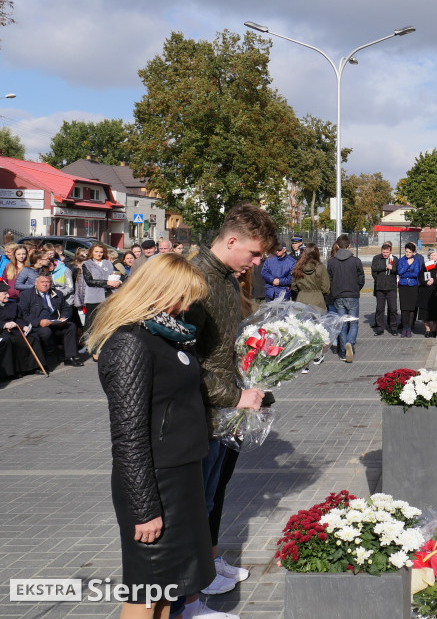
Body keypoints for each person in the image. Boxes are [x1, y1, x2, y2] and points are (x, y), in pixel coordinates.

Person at [92, 254, 216, 619]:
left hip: (179, 476)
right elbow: (128, 436)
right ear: (159, 292)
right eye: (183, 296)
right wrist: (145, 510)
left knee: (169, 586)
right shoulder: (131, 342)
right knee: (146, 590)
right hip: (154, 483)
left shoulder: (164, 333)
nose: (188, 306)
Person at [183, 202, 275, 618]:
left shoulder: (224, 278)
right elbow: (183, 358)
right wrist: (235, 396)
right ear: (232, 240)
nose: (255, 263)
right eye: (254, 254)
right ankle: (188, 603)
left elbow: (224, 348)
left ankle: (196, 589)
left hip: (222, 413)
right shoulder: (196, 280)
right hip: (201, 414)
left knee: (208, 499)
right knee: (194, 507)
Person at [20, 272, 80, 367]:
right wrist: (39, 322)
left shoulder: (57, 293)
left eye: (47, 282)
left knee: (71, 326)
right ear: (36, 283)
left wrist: (63, 318)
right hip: (38, 325)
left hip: (55, 323)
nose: (45, 284)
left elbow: (67, 308)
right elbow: (24, 314)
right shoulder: (26, 295)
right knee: (45, 332)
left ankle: (69, 357)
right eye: (42, 282)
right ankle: (43, 361)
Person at [326, 234, 364, 362]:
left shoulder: (331, 262)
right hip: (352, 295)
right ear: (349, 246)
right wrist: (356, 289)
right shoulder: (356, 261)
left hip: (338, 297)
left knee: (342, 324)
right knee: (353, 323)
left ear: (337, 246)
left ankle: (343, 353)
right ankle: (350, 344)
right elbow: (361, 279)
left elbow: (329, 280)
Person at [82, 243, 122, 330]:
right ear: (92, 252)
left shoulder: (108, 263)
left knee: (107, 321)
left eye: (101, 252)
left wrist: (119, 281)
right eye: (96, 252)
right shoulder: (86, 264)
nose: (98, 254)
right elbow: (89, 281)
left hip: (109, 296)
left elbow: (119, 274)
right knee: (92, 322)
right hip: (94, 297)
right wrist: (107, 282)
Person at [371, 242, 399, 336]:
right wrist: (384, 267)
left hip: (391, 288)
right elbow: (374, 269)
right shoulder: (377, 258)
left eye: (387, 252)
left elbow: (398, 270)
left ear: (390, 251)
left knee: (393, 309)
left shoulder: (394, 259)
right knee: (379, 309)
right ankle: (380, 328)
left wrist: (393, 269)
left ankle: (393, 327)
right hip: (380, 288)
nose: (385, 254)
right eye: (383, 252)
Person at [396, 242, 424, 338]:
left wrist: (407, 272)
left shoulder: (416, 261)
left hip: (413, 286)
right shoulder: (401, 260)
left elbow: (416, 273)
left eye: (410, 252)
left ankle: (409, 327)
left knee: (412, 308)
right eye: (406, 251)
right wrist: (408, 266)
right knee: (404, 308)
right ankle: (404, 328)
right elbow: (399, 272)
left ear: (413, 252)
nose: (407, 253)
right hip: (403, 286)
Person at [291, 244, 330, 310]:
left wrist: (302, 291)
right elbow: (326, 288)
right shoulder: (321, 267)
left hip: (301, 300)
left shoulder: (298, 267)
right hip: (318, 301)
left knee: (302, 320)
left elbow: (294, 286)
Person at [418, 248, 437, 338]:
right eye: (431, 255)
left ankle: (434, 330)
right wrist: (425, 282)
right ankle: (427, 329)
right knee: (424, 311)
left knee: (435, 312)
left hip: (435, 291)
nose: (432, 257)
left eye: (434, 255)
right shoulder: (425, 265)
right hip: (425, 290)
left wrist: (434, 281)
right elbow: (420, 277)